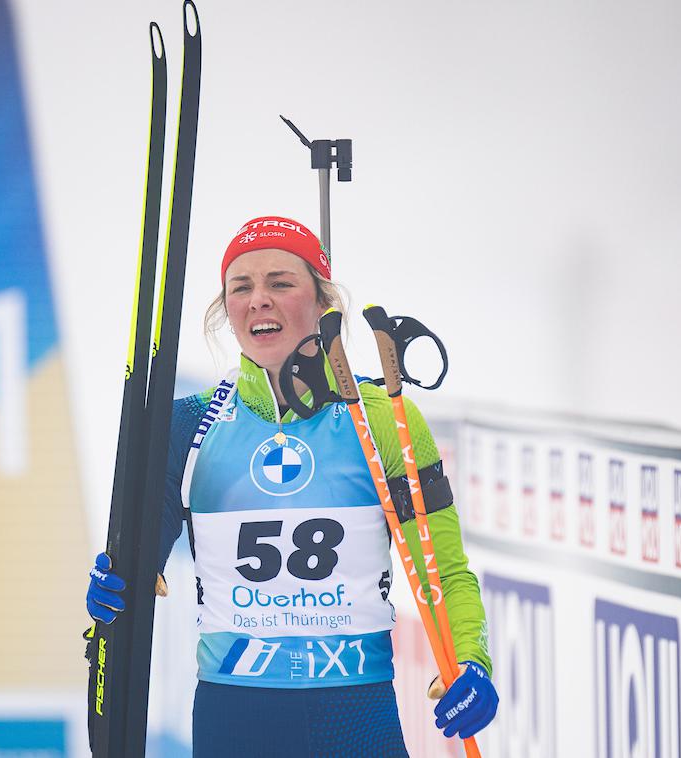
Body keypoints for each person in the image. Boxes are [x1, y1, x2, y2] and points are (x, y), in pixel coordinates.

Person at [87, 216, 497, 755]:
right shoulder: (187, 425)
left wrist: (470, 659)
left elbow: (441, 569)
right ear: (225, 310)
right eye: (242, 287)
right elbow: (138, 574)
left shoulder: (381, 419)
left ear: (325, 303)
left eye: (281, 282)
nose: (260, 299)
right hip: (233, 719)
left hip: (355, 718)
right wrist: (112, 592)